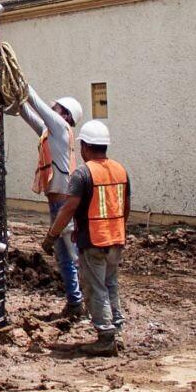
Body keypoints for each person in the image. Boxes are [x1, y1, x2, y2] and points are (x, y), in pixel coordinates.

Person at [44, 120, 129, 356]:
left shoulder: (83, 173)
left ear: (85, 147)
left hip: (95, 240)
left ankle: (105, 336)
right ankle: (116, 329)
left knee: (95, 288)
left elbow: (69, 208)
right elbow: (126, 206)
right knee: (111, 284)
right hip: (116, 238)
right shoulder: (120, 169)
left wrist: (52, 236)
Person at [19, 87, 85, 319]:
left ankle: (85, 303)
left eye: (57, 108)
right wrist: (17, 100)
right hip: (56, 204)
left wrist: (21, 83)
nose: (53, 109)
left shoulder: (61, 128)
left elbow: (39, 106)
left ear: (65, 115)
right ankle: (76, 302)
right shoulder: (51, 133)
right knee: (65, 257)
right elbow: (30, 115)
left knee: (73, 257)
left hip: (64, 205)